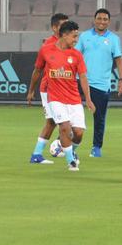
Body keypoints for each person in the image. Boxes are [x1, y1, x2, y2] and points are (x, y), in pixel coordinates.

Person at [34, 20, 95, 171]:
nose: (76, 40)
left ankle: (69, 150)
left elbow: (83, 77)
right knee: (65, 127)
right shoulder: (46, 50)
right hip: (55, 98)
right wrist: (31, 90)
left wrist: (88, 99)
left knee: (78, 133)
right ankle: (71, 162)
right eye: (74, 36)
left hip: (74, 99)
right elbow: (37, 70)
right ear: (64, 35)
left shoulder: (77, 55)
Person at [76, 9, 122, 158]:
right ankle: (64, 144)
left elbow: (119, 60)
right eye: (99, 18)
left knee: (99, 118)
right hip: (80, 81)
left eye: (105, 19)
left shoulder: (114, 39)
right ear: (94, 19)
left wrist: (121, 80)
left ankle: (96, 147)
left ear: (109, 22)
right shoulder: (84, 36)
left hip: (101, 85)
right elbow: (75, 56)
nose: (102, 21)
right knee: (71, 114)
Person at [26, 12, 70, 164]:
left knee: (64, 122)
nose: (66, 28)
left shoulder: (70, 44)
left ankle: (52, 149)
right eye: (63, 25)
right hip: (49, 90)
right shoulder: (48, 46)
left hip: (65, 89)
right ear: (54, 28)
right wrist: (31, 91)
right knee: (53, 122)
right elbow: (38, 70)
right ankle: (40, 153)